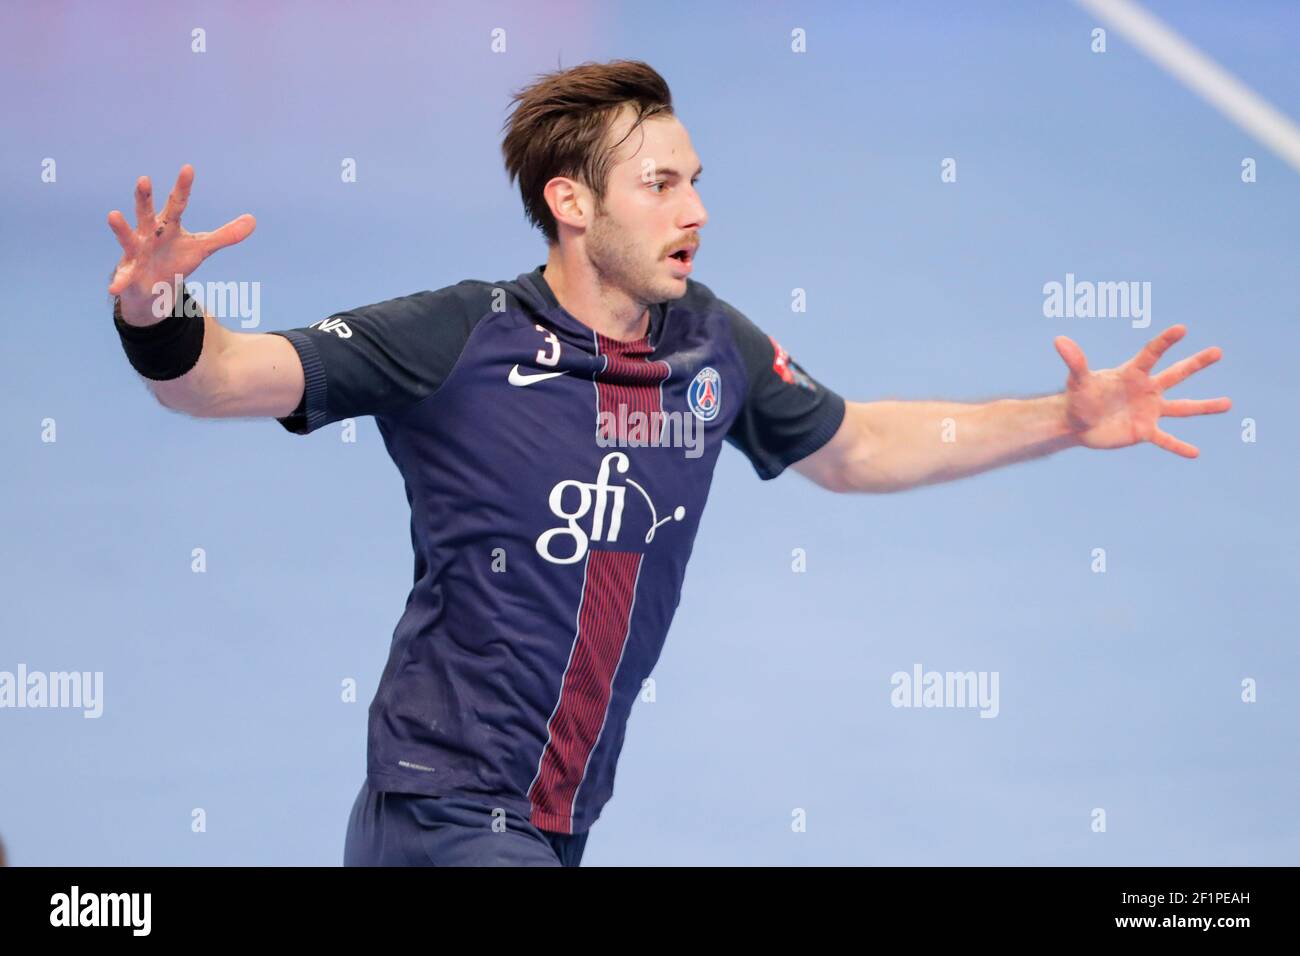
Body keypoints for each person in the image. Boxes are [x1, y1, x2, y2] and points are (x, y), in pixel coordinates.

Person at [104, 60, 1231, 866]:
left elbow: (859, 445)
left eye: (693, 179)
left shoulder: (711, 344)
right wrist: (159, 306)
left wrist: (1063, 417)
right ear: (570, 203)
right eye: (659, 186)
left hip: (558, 816)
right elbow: (215, 379)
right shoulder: (458, 337)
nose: (694, 209)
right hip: (446, 808)